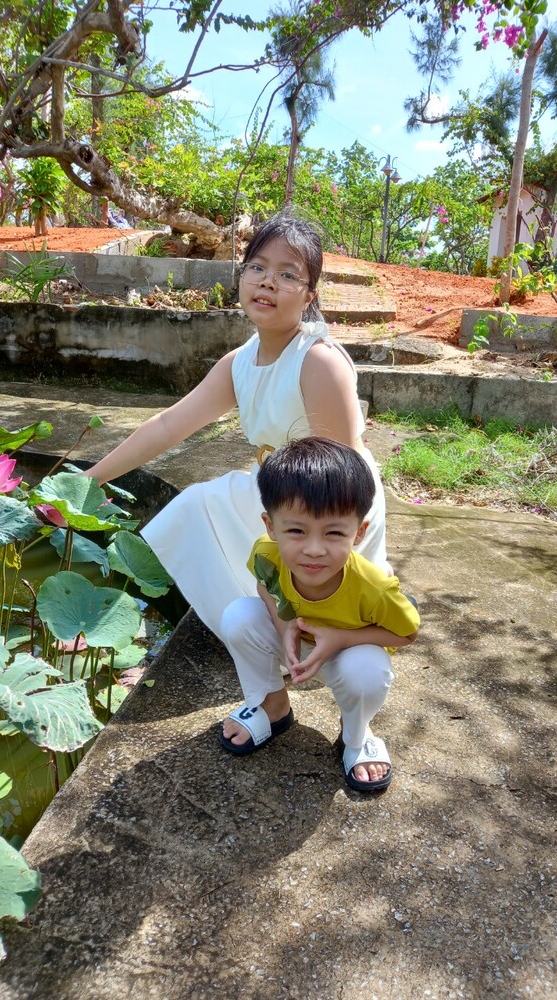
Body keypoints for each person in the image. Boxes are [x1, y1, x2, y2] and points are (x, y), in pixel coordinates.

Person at [85, 211, 389, 640]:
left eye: (287, 275)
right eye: (258, 268)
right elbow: (170, 425)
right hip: (277, 492)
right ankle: (257, 630)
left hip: (332, 503)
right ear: (242, 276)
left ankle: (302, 620)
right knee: (194, 510)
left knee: (201, 505)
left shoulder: (318, 361)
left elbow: (346, 468)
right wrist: (91, 480)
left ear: (308, 296)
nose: (267, 282)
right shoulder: (240, 362)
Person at [219, 437, 419, 793]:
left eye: (333, 533)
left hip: (349, 654)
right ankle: (272, 706)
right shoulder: (267, 554)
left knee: (368, 670)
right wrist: (284, 629)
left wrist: (342, 638)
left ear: (358, 533)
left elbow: (407, 633)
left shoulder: (372, 586)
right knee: (239, 616)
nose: (313, 549)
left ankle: (356, 734)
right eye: (295, 530)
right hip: (296, 644)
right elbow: (265, 586)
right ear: (270, 526)